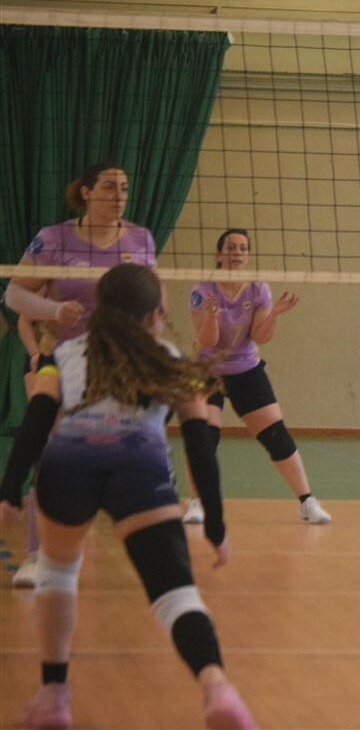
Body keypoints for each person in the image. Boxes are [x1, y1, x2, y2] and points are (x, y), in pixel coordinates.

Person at [0, 264, 257, 730]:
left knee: (58, 573)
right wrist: (216, 524)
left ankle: (54, 695)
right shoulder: (171, 359)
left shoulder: (63, 353)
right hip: (139, 466)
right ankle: (217, 686)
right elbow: (200, 444)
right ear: (156, 315)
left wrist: (10, 491)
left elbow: (37, 418)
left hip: (69, 465)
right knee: (175, 593)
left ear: (101, 311)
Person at [5, 162, 157, 589]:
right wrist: (54, 310)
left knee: (114, 456)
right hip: (62, 358)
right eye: (109, 187)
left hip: (117, 362)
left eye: (124, 187)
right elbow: (14, 293)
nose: (119, 195)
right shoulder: (53, 238)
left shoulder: (140, 239)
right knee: (52, 454)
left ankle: (92, 539)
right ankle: (37, 555)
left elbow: (152, 299)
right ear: (86, 193)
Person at [184, 230, 331, 527]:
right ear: (219, 254)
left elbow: (260, 336)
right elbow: (207, 342)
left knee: (276, 435)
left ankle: (307, 502)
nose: (237, 253)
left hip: (246, 369)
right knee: (205, 435)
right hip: (207, 371)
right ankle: (197, 502)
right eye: (231, 248)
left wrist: (274, 313)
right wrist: (211, 316)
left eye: (243, 248)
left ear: (248, 255)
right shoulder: (202, 291)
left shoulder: (258, 289)